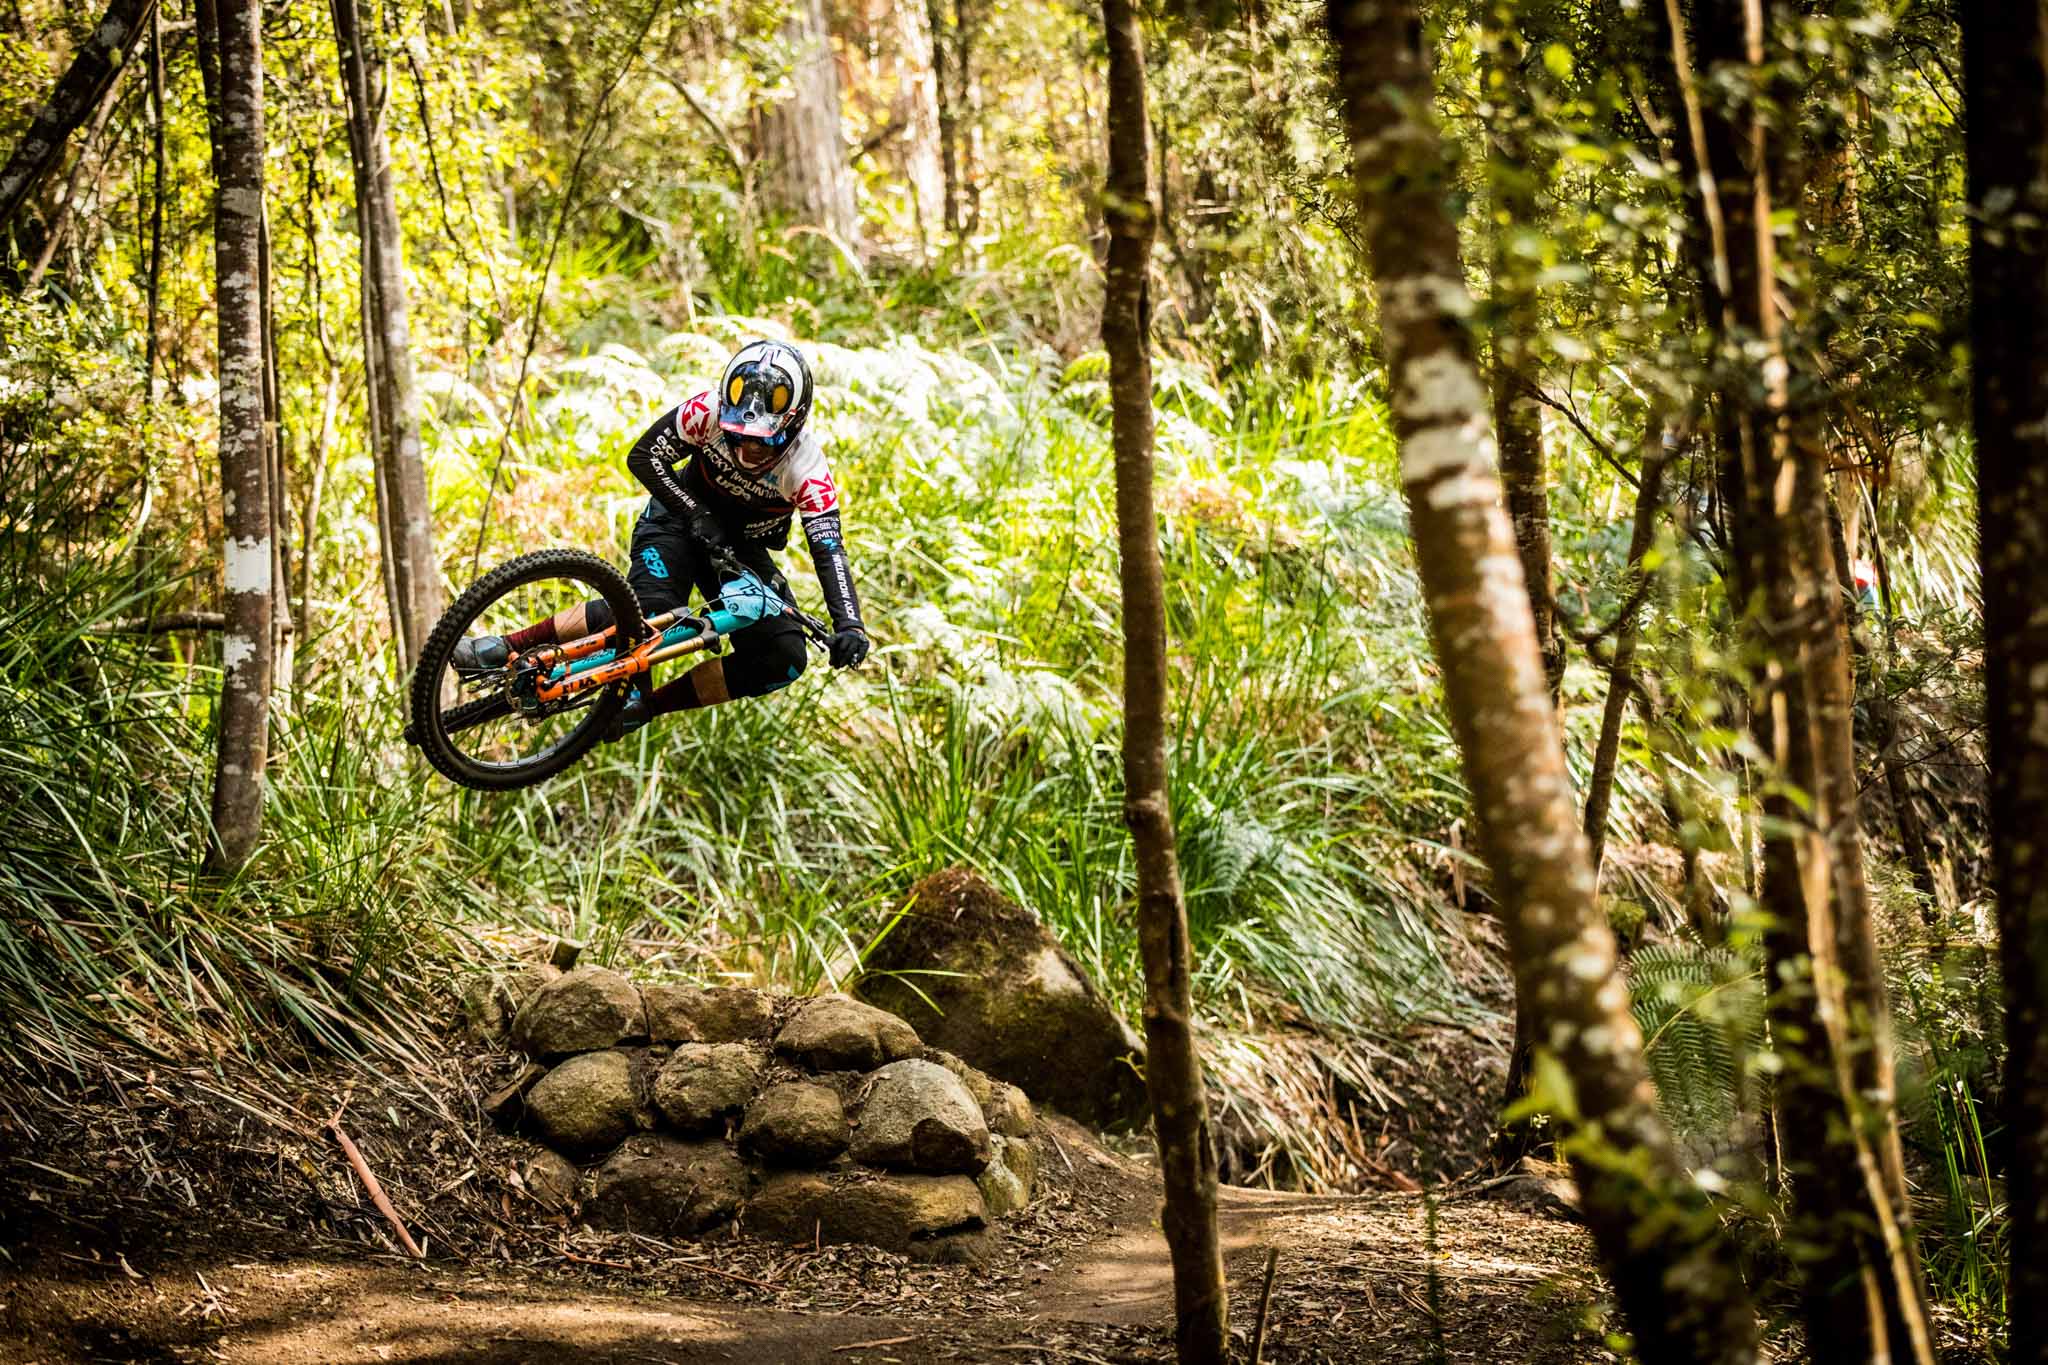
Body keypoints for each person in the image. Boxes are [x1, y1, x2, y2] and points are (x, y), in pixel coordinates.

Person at [453, 339, 869, 737]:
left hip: (736, 549)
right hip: (676, 520)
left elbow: (828, 550)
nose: (748, 448)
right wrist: (695, 512)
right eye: (738, 435)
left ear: (794, 423)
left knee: (784, 658)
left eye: (763, 441)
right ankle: (503, 646)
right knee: (649, 612)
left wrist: (849, 624)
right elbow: (644, 456)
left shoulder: (807, 469)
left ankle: (648, 707)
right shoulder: (705, 412)